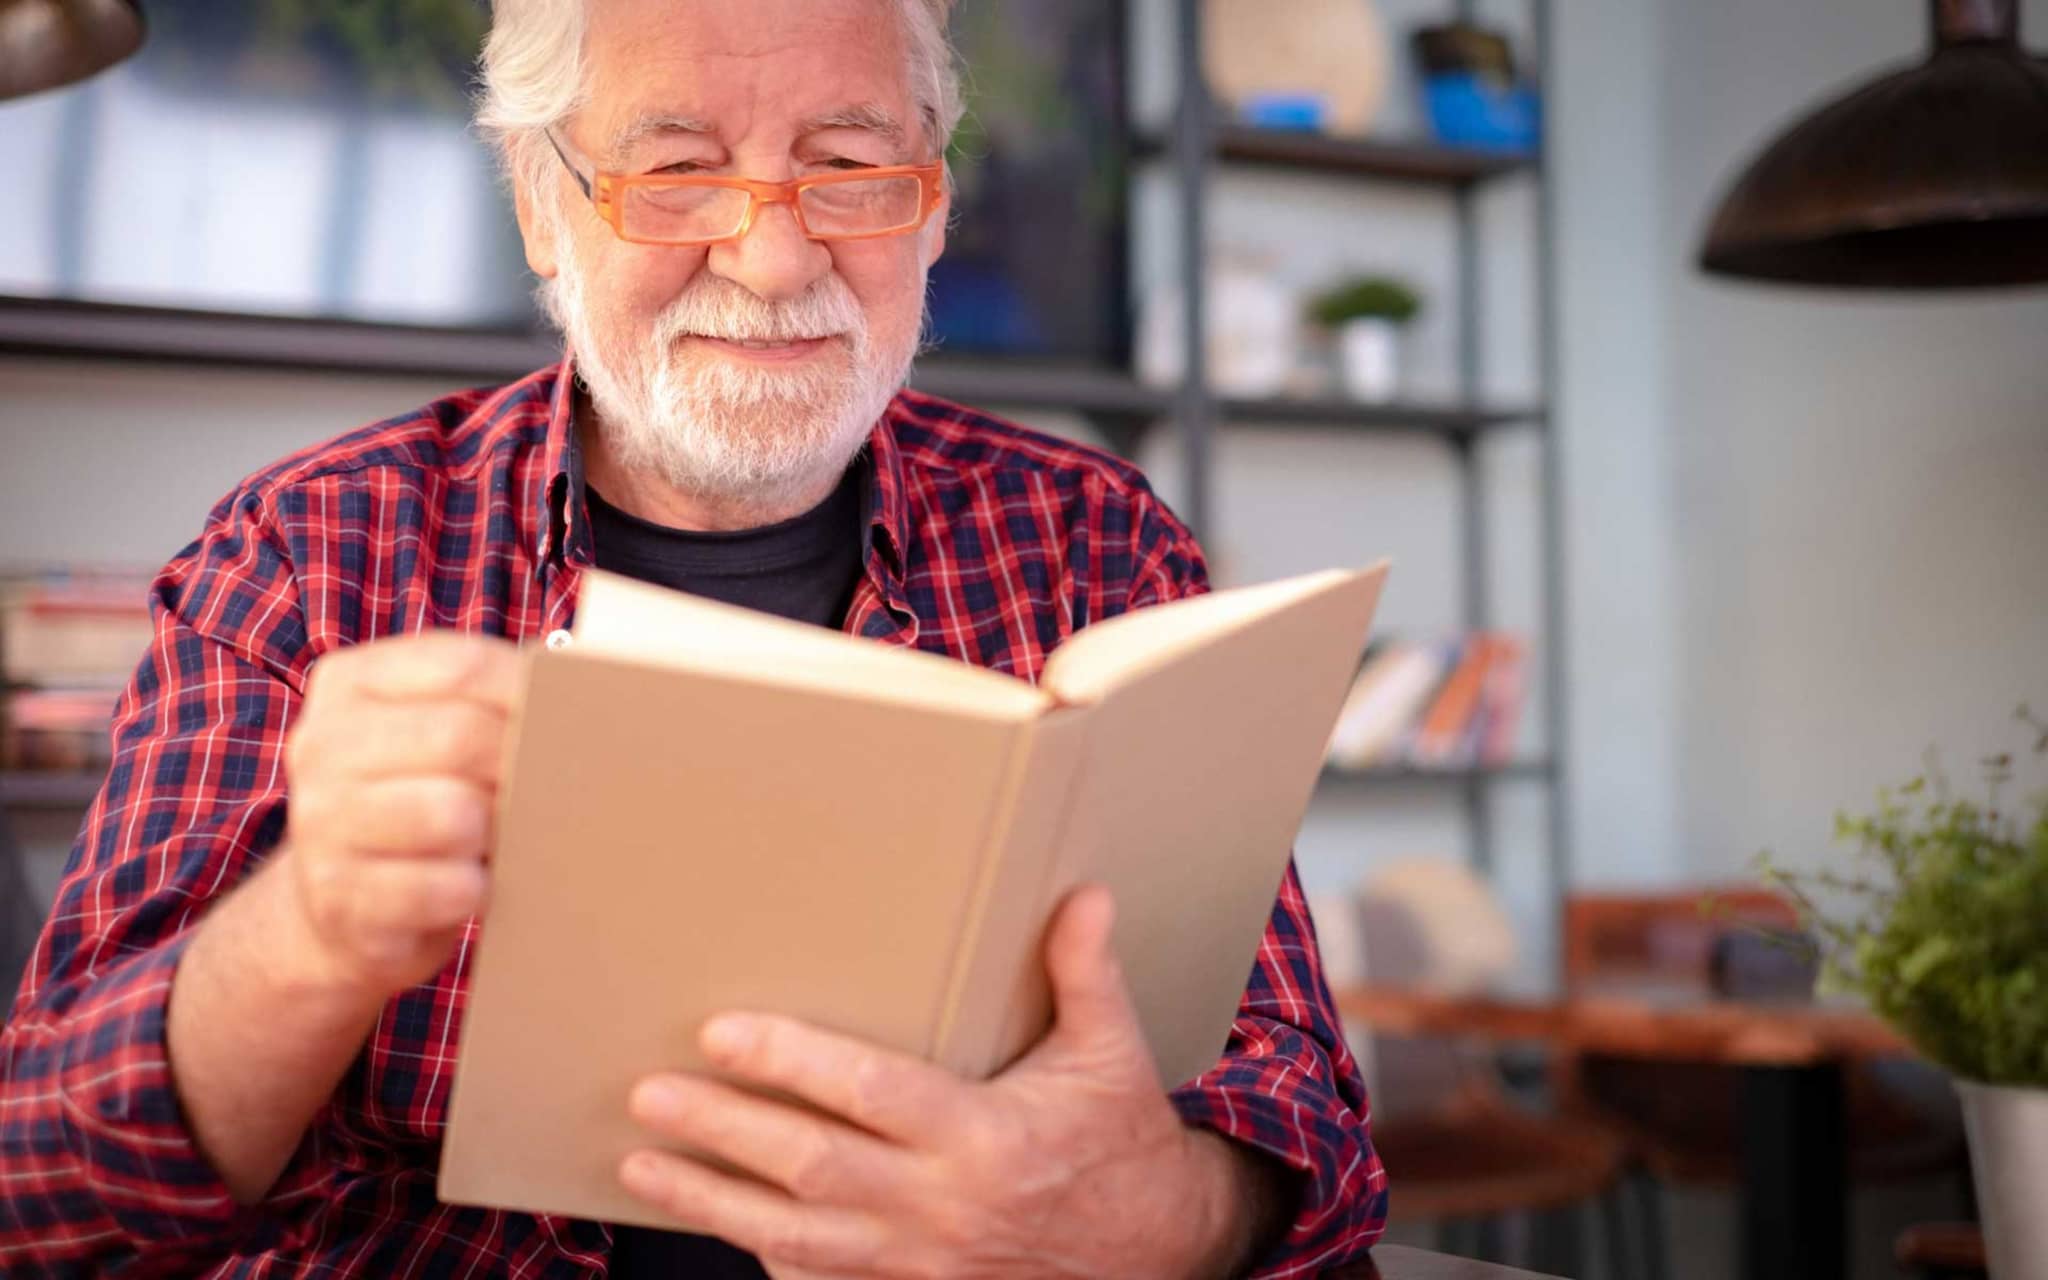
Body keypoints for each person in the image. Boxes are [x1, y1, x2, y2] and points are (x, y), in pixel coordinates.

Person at [0, 1, 1388, 1275]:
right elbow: (45, 1192)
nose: (775, 255)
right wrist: (308, 934)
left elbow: (1304, 1118)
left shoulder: (1097, 543)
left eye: (850, 164)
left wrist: (1139, 1217)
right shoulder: (305, 555)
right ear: (546, 213)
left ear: (936, 206)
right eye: (675, 171)